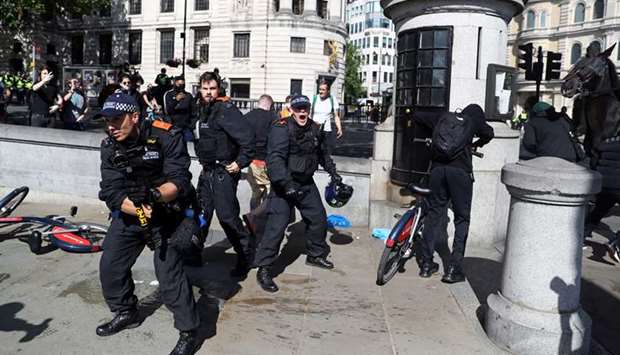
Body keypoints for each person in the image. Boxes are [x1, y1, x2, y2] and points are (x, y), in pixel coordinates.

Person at [97, 92, 201, 354]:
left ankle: (189, 331)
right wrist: (140, 210)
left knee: (168, 272)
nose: (111, 126)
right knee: (110, 264)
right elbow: (112, 192)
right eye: (106, 120)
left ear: (135, 116)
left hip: (171, 214)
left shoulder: (166, 135)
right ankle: (126, 311)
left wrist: (155, 196)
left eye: (117, 119)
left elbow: (180, 180)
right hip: (134, 213)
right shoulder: (109, 146)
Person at [254, 95, 343, 293]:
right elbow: (275, 158)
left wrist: (334, 174)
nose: (302, 112)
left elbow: (322, 154)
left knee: (318, 218)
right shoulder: (281, 127)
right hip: (284, 184)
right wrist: (285, 184)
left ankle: (315, 254)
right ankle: (264, 269)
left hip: (305, 183)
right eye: (298, 108)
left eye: (305, 108)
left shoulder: (314, 128)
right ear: (291, 109)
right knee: (277, 226)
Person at [413, 104, 494, 283]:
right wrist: (476, 143)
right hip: (460, 174)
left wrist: (433, 138)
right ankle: (453, 269)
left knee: (434, 214)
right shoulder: (473, 122)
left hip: (437, 171)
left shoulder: (443, 118)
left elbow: (417, 116)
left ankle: (426, 265)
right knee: (462, 219)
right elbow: (489, 133)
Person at [194, 71, 256, 277]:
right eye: (205, 89)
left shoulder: (226, 110)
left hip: (223, 173)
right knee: (200, 214)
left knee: (227, 217)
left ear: (218, 88)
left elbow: (248, 139)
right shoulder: (204, 108)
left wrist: (239, 163)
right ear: (200, 89)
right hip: (207, 171)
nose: (209, 92)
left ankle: (246, 256)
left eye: (212, 89)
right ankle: (193, 252)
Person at [244, 94, 277, 210]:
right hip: (266, 160)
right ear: (270, 105)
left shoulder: (247, 116)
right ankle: (263, 219)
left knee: (256, 193)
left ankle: (253, 219)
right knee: (269, 193)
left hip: (251, 161)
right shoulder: (273, 118)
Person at [311, 81, 343, 152]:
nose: (321, 91)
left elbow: (336, 116)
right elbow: (308, 114)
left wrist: (339, 128)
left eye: (323, 90)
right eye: (320, 89)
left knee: (325, 154)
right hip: (314, 130)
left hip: (326, 131)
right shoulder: (314, 98)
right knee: (313, 153)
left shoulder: (332, 99)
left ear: (328, 91)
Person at [163, 76, 194, 142]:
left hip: (186, 127)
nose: (181, 86)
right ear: (175, 83)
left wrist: (192, 124)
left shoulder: (188, 95)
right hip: (174, 127)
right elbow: (167, 110)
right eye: (179, 84)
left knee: (190, 146)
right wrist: (176, 100)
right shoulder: (169, 94)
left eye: (183, 84)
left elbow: (193, 111)